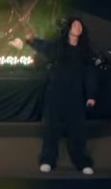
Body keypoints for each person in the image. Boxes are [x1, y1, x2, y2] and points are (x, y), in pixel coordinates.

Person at [13, 18, 97, 174]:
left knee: (77, 129)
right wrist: (32, 40)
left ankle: (81, 161)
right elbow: (45, 47)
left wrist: (91, 95)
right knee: (51, 128)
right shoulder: (59, 46)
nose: (78, 27)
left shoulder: (85, 52)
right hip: (56, 92)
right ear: (69, 29)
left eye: (80, 25)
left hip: (76, 95)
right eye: (75, 24)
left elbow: (90, 75)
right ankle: (47, 160)